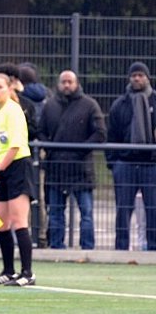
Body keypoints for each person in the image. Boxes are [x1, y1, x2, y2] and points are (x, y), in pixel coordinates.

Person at [0, 72, 36, 286]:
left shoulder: (14, 111)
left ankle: (27, 273)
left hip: (18, 166)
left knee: (19, 221)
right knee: (1, 222)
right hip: (2, 169)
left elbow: (14, 146)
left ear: (9, 88)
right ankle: (8, 270)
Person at [40, 70, 106, 250]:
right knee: (55, 212)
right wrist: (51, 148)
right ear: (58, 83)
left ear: (77, 83)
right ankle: (56, 247)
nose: (67, 85)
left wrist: (81, 150)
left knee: (86, 212)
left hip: (81, 168)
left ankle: (87, 248)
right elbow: (41, 131)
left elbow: (100, 133)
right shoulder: (50, 105)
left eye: (70, 81)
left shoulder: (89, 105)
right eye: (63, 82)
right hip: (56, 168)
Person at [105, 61, 156, 250]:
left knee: (153, 209)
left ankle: (153, 248)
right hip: (125, 163)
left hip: (151, 164)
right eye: (134, 75)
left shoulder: (154, 101)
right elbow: (112, 135)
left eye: (140, 75)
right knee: (123, 210)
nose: (137, 78)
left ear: (147, 78)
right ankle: (121, 248)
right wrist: (113, 163)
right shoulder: (120, 104)